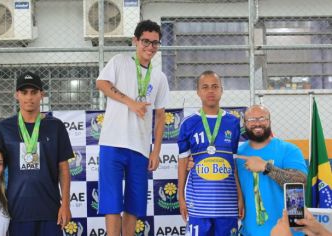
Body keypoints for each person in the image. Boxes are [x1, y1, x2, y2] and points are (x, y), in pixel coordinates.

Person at [96, 20, 169, 236]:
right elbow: (102, 83)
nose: (150, 47)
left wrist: (155, 151)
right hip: (112, 143)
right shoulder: (120, 61)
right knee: (111, 202)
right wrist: (132, 103)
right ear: (135, 41)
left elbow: (161, 115)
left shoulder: (159, 77)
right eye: (146, 41)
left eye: (155, 43)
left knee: (134, 204)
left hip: (139, 147)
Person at [0, 71, 73, 236]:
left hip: (50, 210)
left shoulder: (56, 126)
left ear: (41, 95)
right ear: (17, 95)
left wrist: (65, 205)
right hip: (17, 211)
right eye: (24, 92)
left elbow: (64, 169)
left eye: (34, 92)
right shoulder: (4, 128)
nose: (29, 97)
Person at [177, 71, 243, 236]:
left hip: (227, 205)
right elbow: (183, 162)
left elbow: (234, 164)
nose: (210, 91)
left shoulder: (233, 122)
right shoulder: (189, 123)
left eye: (215, 86)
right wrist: (180, 198)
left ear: (222, 90)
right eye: (205, 87)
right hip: (198, 205)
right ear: (198, 92)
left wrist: (240, 196)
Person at [234, 105, 308, 236]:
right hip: (249, 232)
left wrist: (266, 167)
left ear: (269, 121)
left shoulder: (288, 149)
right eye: (251, 119)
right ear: (245, 124)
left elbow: (300, 181)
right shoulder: (238, 153)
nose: (257, 123)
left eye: (262, 118)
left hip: (287, 232)